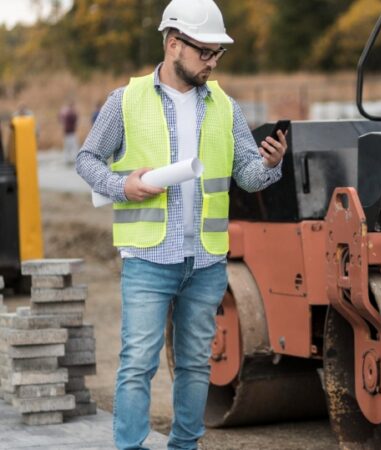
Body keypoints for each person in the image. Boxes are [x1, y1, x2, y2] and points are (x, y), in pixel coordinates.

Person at [75, 0, 287, 448]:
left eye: (217, 54)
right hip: (149, 259)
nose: (213, 62)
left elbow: (246, 176)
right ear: (174, 44)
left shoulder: (225, 106)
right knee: (138, 363)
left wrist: (269, 164)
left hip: (206, 260)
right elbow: (86, 159)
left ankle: (184, 446)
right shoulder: (125, 101)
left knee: (195, 364)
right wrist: (120, 186)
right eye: (205, 52)